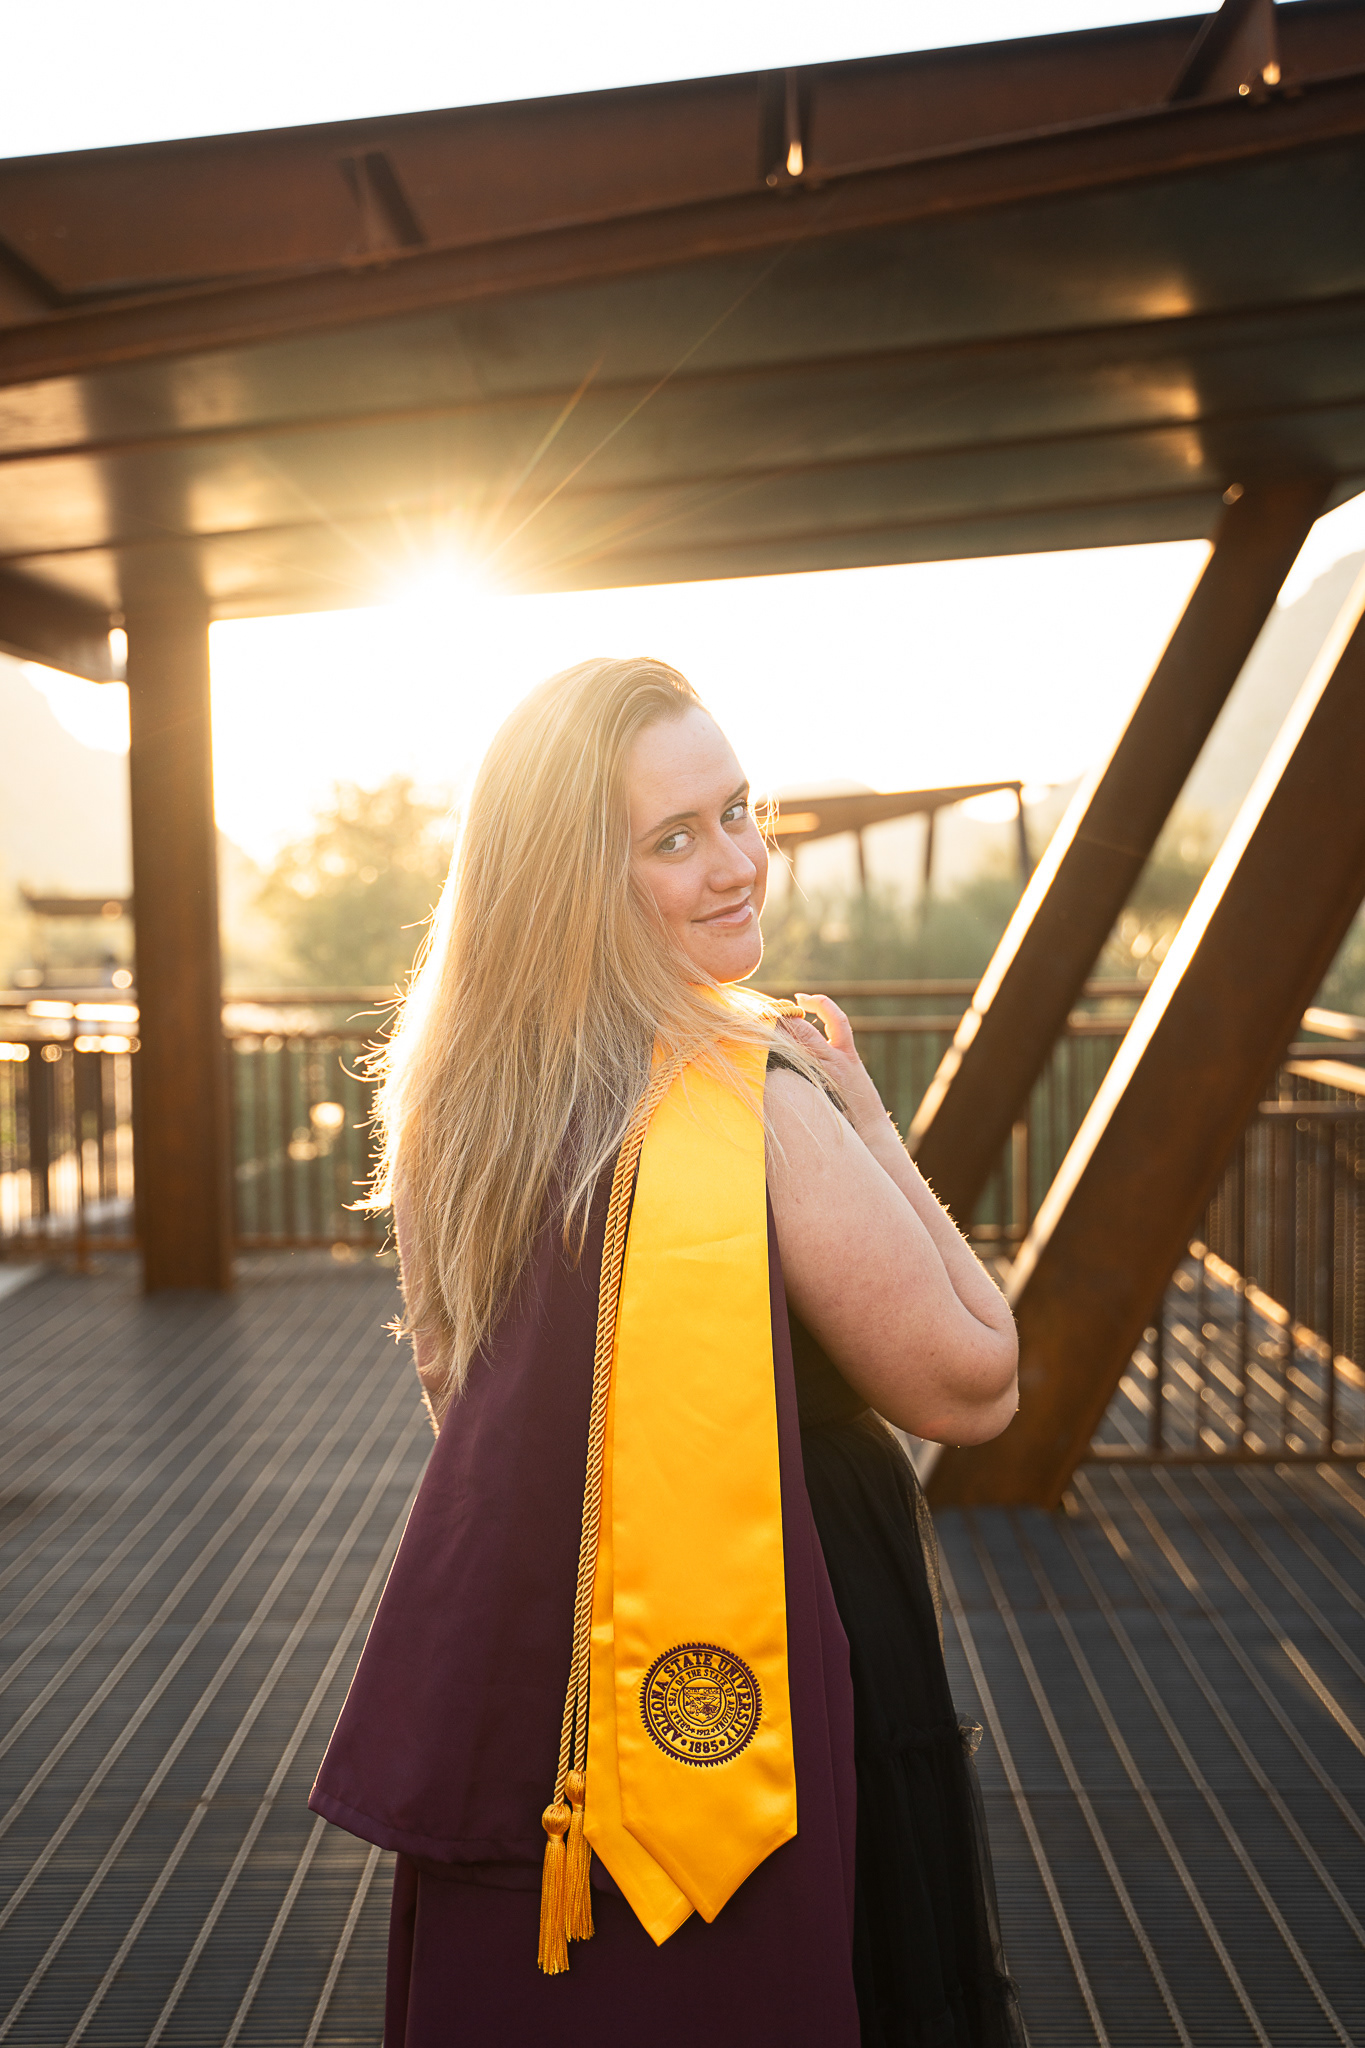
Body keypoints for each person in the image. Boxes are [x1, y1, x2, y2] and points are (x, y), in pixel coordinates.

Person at [310, 656, 1026, 2047]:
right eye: (674, 839)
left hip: (545, 1629)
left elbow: (455, 1392)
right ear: (577, 878)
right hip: (780, 1609)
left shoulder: (459, 1095)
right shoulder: (752, 1098)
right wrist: (866, 1118)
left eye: (740, 811)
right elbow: (974, 1381)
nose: (738, 863)